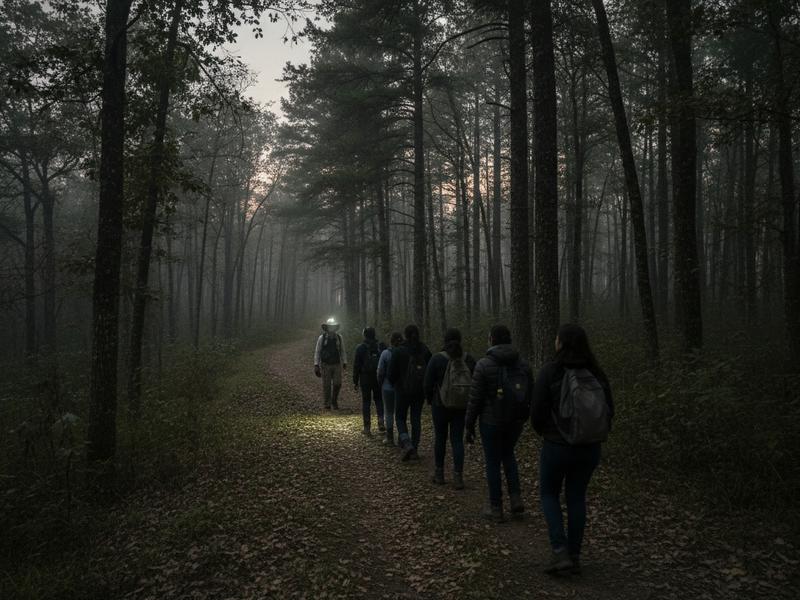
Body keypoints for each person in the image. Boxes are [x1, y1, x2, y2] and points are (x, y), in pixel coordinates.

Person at [531, 323, 614, 576]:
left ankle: (559, 551)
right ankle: (575, 554)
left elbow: (537, 412)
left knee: (549, 494)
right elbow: (610, 410)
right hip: (589, 448)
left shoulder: (550, 372)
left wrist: (547, 431)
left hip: (557, 446)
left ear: (561, 343)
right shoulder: (597, 373)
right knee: (577, 497)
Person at [466, 324, 532, 522]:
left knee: (493, 461)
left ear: (492, 340)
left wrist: (468, 425)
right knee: (508, 455)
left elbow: (475, 399)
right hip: (515, 422)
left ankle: (496, 507)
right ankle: (516, 499)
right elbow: (530, 394)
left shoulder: (483, 365)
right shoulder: (523, 365)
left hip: (490, 422)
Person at [423, 328, 475, 489]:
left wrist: (430, 400)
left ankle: (439, 474)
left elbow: (427, 383)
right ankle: (458, 477)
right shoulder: (469, 359)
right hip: (462, 406)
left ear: (444, 341)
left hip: (440, 405)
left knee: (440, 438)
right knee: (457, 440)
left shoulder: (437, 359)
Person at [387, 324, 431, 461]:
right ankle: (415, 449)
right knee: (415, 418)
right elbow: (430, 371)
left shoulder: (399, 351)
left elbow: (390, 374)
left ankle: (407, 444)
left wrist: (395, 384)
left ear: (404, 335)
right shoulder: (424, 350)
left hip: (402, 390)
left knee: (400, 417)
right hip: (419, 392)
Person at [353, 327, 386, 435]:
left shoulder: (360, 348)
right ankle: (381, 421)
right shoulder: (380, 347)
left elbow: (356, 365)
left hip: (365, 378)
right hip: (377, 378)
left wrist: (355, 380)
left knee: (366, 401)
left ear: (364, 335)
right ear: (374, 334)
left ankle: (367, 428)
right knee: (379, 399)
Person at [313, 318, 347, 410]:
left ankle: (334, 400)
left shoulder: (339, 338)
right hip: (325, 364)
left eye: (333, 327)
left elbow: (342, 350)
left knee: (338, 383)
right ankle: (327, 403)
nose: (331, 328)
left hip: (336, 364)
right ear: (327, 328)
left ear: (335, 328)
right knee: (326, 385)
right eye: (330, 327)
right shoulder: (322, 338)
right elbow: (317, 351)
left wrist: (344, 361)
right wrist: (316, 365)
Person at [377, 332, 403, 446]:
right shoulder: (404, 353)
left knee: (388, 412)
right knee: (400, 413)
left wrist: (380, 383)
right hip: (401, 388)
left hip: (387, 387)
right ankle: (402, 437)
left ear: (391, 341)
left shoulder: (385, 353)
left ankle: (390, 438)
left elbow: (380, 371)